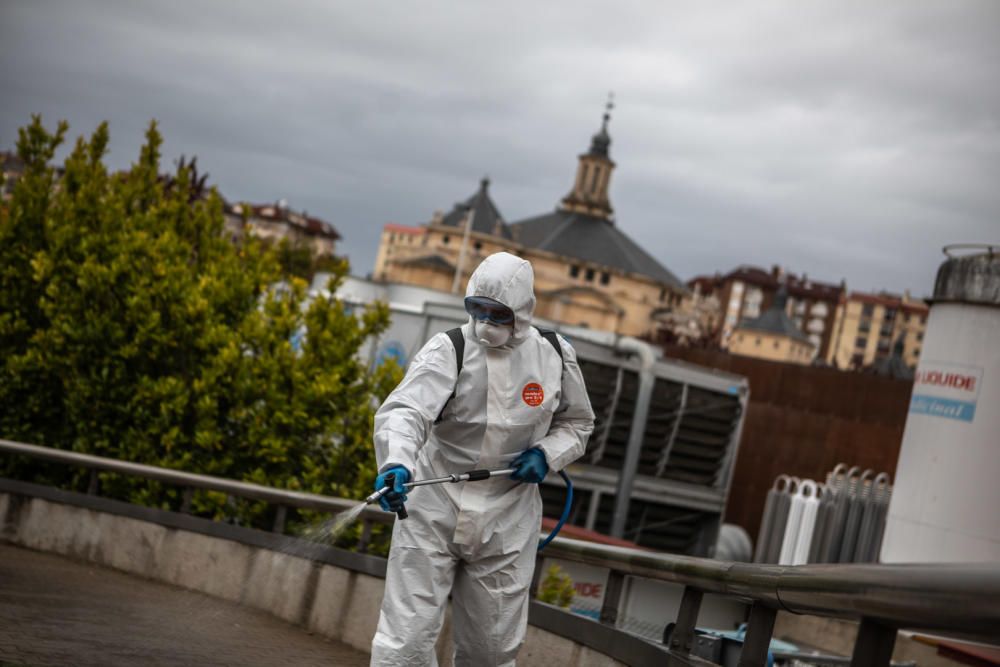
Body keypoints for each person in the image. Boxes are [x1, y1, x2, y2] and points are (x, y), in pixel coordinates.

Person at [370, 252, 595, 666]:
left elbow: (578, 423)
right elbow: (406, 411)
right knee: (406, 640)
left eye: (497, 313)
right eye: (477, 309)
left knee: (491, 651)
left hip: (507, 520)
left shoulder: (553, 356)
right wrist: (396, 462)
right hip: (434, 509)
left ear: (523, 312)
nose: (485, 323)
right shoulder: (450, 349)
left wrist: (546, 455)